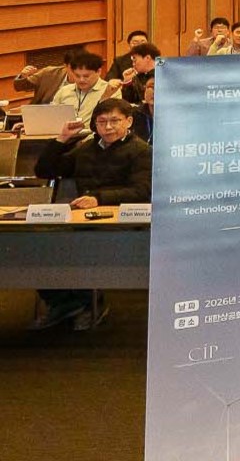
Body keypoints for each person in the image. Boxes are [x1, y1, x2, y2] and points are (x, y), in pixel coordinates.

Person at [28, 98, 151, 331]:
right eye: (102, 122)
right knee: (37, 244)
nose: (108, 127)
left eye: (115, 121)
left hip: (123, 222)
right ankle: (68, 302)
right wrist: (61, 140)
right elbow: (44, 170)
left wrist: (98, 198)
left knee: (79, 245)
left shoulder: (141, 151)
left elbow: (142, 190)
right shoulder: (86, 148)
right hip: (83, 219)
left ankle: (82, 301)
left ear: (129, 121)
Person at [51, 52, 122, 125]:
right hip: (65, 133)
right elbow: (51, 115)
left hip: (93, 135)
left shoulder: (110, 90)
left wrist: (105, 97)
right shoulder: (64, 91)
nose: (81, 80)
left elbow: (110, 120)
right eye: (77, 76)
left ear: (98, 72)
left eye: (86, 76)